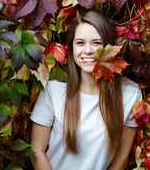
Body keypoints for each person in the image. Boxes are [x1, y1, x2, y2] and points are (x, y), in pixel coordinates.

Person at [29, 11, 142, 170]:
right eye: (80, 43)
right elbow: (36, 152)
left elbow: (122, 159)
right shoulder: (54, 89)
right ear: (72, 48)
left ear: (109, 47)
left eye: (96, 43)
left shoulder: (130, 94)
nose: (88, 50)